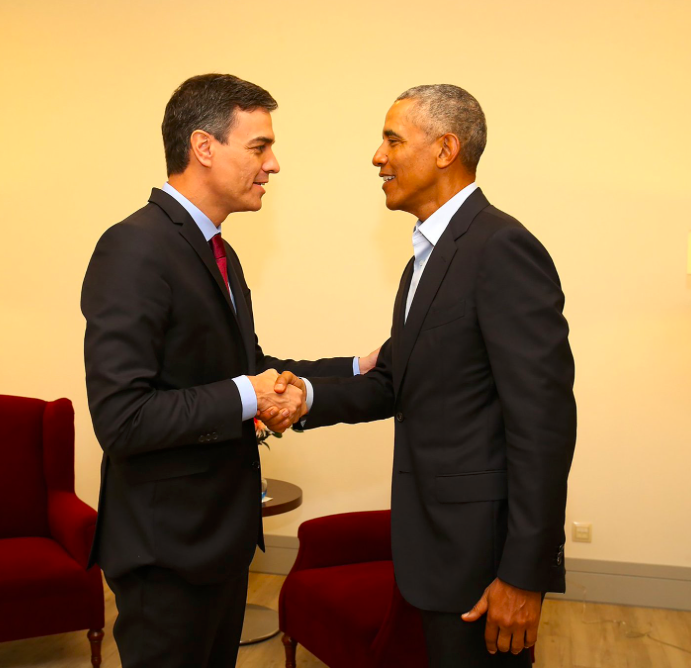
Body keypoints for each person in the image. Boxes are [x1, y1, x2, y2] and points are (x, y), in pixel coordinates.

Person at [80, 73, 377, 667]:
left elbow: (249, 370)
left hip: (218, 543)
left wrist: (356, 367)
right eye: (260, 146)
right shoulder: (134, 248)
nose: (273, 164)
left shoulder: (217, 249)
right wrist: (248, 394)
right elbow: (122, 418)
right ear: (205, 147)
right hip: (168, 555)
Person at [282, 85, 577, 667]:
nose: (377, 156)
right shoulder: (428, 256)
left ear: (445, 148)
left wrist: (524, 575)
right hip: (436, 553)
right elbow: (397, 379)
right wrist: (303, 397)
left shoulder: (501, 248)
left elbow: (543, 425)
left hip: (482, 559)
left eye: (392, 139)